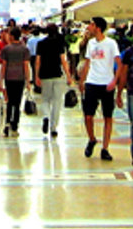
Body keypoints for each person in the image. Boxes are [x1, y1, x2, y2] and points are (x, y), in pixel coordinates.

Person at [79, 17, 121, 161]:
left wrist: (115, 81)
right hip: (92, 82)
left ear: (98, 27)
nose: (89, 27)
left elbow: (119, 64)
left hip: (106, 83)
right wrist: (82, 80)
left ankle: (105, 148)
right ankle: (92, 139)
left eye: (91, 24)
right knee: (88, 115)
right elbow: (87, 62)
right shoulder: (91, 43)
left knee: (107, 116)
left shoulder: (111, 44)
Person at [35, 24, 72, 137]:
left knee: (45, 99)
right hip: (57, 74)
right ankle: (54, 127)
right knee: (57, 101)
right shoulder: (59, 43)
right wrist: (68, 75)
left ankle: (45, 117)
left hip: (45, 75)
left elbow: (38, 61)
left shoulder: (41, 44)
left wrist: (36, 76)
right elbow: (63, 61)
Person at [0, 27, 31, 137]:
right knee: (17, 103)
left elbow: (3, 66)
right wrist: (28, 81)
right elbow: (26, 65)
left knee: (9, 101)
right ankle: (15, 125)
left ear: (12, 36)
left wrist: (0, 81)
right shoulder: (25, 49)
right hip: (20, 78)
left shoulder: (6, 49)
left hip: (9, 77)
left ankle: (7, 123)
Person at [117, 44, 133, 165]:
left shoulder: (128, 52)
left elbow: (124, 73)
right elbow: (124, 73)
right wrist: (119, 93)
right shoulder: (129, 53)